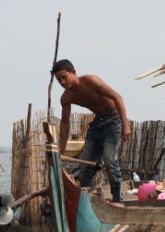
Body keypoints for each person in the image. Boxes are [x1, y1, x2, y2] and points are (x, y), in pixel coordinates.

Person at [52, 59, 131, 203]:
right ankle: (84, 198)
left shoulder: (91, 81)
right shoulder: (66, 97)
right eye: (58, 80)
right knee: (86, 162)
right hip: (97, 124)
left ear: (73, 73)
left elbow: (117, 97)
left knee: (110, 160)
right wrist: (61, 152)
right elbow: (64, 124)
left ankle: (118, 199)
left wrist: (125, 125)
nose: (62, 82)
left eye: (64, 77)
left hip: (114, 121)